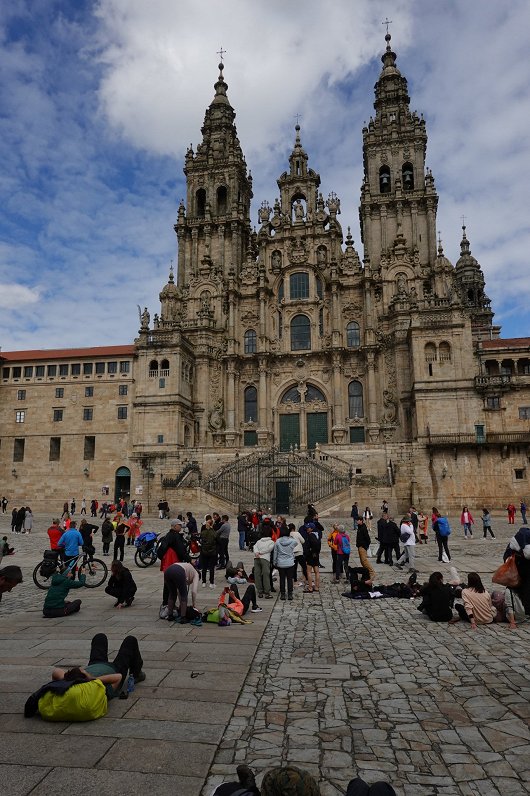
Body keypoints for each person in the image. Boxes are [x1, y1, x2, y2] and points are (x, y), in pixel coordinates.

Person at [273, 526, 297, 600]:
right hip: (290, 562)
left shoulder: (277, 541)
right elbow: (296, 543)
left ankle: (283, 594)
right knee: (290, 579)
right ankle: (290, 594)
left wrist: (274, 562)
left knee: (282, 579)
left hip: (281, 563)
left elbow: (275, 553)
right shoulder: (292, 541)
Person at [253, 528, 275, 599]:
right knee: (266, 575)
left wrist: (257, 552)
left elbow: (254, 546)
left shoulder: (259, 541)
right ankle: (267, 592)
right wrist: (261, 552)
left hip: (256, 558)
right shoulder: (271, 542)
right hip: (265, 559)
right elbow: (269, 549)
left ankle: (260, 591)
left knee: (257, 575)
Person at [200, 515, 218, 589]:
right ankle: (211, 583)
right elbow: (217, 540)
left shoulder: (203, 532)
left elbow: (201, 538)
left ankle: (203, 582)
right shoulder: (213, 532)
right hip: (212, 552)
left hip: (204, 551)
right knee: (211, 568)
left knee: (204, 568)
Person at [289, 522, 308, 587]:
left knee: (294, 568)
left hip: (292, 553)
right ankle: (308, 579)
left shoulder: (288, 534)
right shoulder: (297, 533)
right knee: (304, 566)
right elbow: (303, 541)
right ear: (294, 528)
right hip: (299, 552)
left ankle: (295, 580)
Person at [304, 524, 321, 593]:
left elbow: (308, 547)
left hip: (311, 555)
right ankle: (316, 587)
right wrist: (316, 553)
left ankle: (310, 587)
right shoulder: (316, 535)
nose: (307, 529)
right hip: (316, 555)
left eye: (308, 528)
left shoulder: (310, 536)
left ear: (312, 529)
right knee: (317, 571)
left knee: (309, 571)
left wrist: (308, 553)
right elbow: (319, 546)